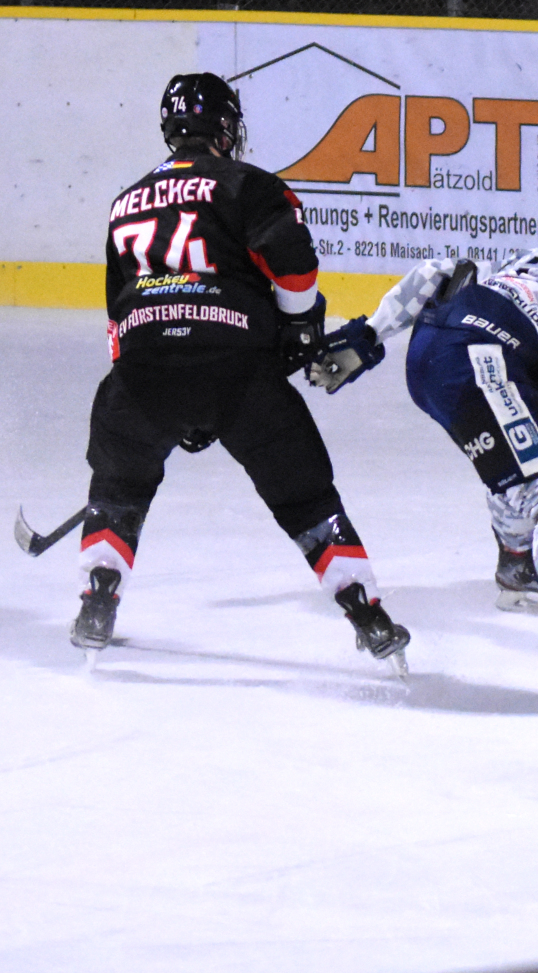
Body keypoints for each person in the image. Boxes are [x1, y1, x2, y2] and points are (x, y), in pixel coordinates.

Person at [76, 73, 408, 671]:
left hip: (142, 371)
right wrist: (299, 333)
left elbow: (116, 313)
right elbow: (296, 270)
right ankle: (366, 612)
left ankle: (96, 598)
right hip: (235, 369)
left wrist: (173, 400)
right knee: (305, 497)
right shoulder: (247, 184)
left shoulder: (124, 202)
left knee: (118, 488)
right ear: (225, 128)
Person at [326, 219, 538, 665]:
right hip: (484, 361)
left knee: (520, 459)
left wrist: (371, 334)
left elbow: (443, 271)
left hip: (429, 349)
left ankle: (519, 567)